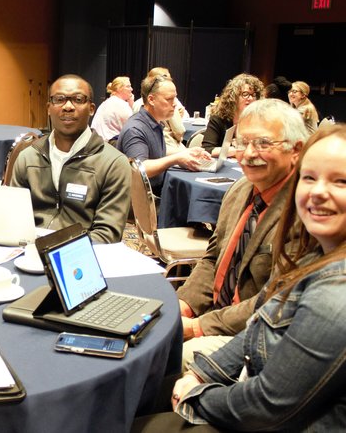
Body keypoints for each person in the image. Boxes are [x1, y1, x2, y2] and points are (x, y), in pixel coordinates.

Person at [145, 123, 346, 431]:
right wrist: (204, 373)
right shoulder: (313, 253)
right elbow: (258, 326)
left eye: (341, 182)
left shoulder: (335, 295)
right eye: (310, 178)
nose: (318, 192)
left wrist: (198, 396)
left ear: (293, 152)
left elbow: (269, 405)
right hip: (247, 374)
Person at [177, 99, 308, 369]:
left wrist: (195, 327)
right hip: (214, 311)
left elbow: (272, 301)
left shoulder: (304, 212)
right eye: (241, 142)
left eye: (262, 143)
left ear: (296, 150)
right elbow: (212, 259)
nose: (248, 153)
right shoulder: (239, 190)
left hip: (256, 331)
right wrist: (184, 304)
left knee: (176, 358)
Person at [10, 74, 131, 243]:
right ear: (48, 108)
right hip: (28, 252)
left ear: (91, 108)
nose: (68, 106)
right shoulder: (28, 158)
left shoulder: (113, 163)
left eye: (78, 99)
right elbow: (12, 217)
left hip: (81, 257)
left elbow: (107, 234)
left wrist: (53, 249)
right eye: (59, 99)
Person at [117, 75, 210, 196]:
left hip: (156, 192)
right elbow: (140, 169)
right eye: (169, 99)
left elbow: (155, 153)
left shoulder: (154, 122)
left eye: (175, 98)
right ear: (151, 100)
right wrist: (176, 159)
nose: (175, 104)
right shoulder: (135, 129)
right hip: (144, 203)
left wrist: (186, 153)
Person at [201, 74, 264, 156]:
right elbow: (206, 149)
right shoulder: (219, 118)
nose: (251, 98)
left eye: (254, 95)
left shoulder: (258, 120)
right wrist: (236, 150)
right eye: (245, 94)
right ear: (233, 97)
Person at [132, 67, 187, 154]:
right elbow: (179, 131)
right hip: (170, 148)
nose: (174, 103)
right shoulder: (135, 129)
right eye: (167, 79)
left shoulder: (136, 104)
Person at [90, 76, 134, 142]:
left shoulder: (106, 103)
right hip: (111, 144)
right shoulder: (120, 104)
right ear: (119, 89)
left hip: (97, 142)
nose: (131, 89)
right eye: (128, 86)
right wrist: (131, 104)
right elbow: (132, 128)